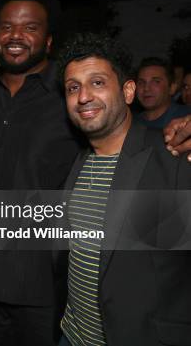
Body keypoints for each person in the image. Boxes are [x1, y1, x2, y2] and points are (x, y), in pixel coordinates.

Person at [0, 0, 81, 346]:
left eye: (30, 27)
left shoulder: (71, 99)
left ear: (48, 40)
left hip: (44, 289)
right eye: (7, 26)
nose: (16, 36)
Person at [58, 32, 191, 346]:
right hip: (72, 335)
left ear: (128, 91)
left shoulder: (173, 159)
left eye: (98, 83)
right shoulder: (78, 163)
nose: (83, 96)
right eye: (73, 87)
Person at [135, 57, 190, 129]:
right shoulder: (131, 123)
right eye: (141, 83)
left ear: (172, 88)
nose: (146, 88)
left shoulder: (185, 119)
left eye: (156, 82)